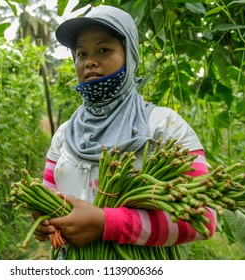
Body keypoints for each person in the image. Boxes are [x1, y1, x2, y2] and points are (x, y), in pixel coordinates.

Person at [33, 5, 216, 257]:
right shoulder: (66, 133)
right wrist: (45, 218)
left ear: (129, 55)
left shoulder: (163, 126)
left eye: (103, 50)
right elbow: (50, 193)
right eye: (81, 53)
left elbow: (204, 217)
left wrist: (106, 223)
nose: (89, 61)